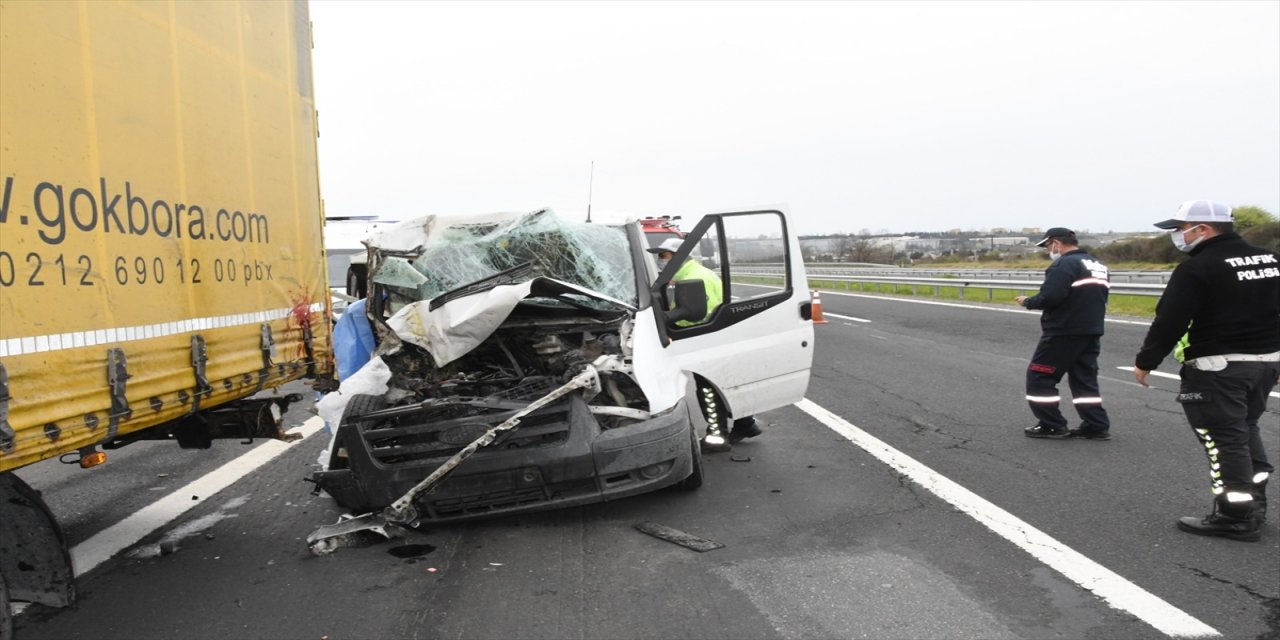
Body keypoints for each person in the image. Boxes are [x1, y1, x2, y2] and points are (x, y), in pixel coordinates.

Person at [1133, 200, 1280, 542]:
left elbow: (1171, 320)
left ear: (1203, 229)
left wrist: (1146, 362)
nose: (1177, 236)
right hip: (1265, 363)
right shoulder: (1270, 259)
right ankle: (1254, 505)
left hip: (1219, 366)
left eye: (1180, 228)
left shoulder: (1199, 267)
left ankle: (1234, 516)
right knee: (1244, 430)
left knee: (1223, 440)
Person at [647, 237, 761, 450]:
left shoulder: (696, 277)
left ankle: (717, 437)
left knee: (708, 389)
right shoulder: (686, 275)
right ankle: (746, 423)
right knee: (723, 385)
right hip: (713, 338)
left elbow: (698, 314)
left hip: (706, 339)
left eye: (663, 255)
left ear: (678, 256)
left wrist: (667, 319)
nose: (659, 260)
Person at [1014, 227, 1112, 440]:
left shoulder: (1064, 264)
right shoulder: (1097, 265)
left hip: (1064, 330)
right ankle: (1096, 425)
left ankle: (1052, 424)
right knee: (1084, 378)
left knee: (1040, 375)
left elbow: (1051, 296)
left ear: (1056, 243)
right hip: (1091, 329)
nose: (1048, 251)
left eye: (1048, 246)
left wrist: (1028, 302)